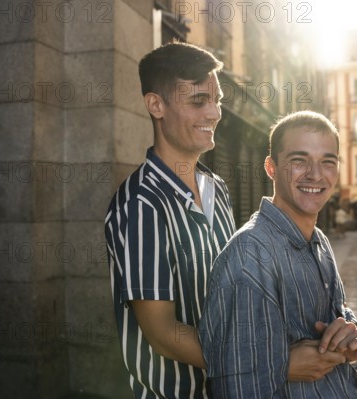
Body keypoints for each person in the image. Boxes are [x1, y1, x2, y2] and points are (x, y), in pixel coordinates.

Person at [200, 111, 357, 398]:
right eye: (298, 161)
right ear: (271, 168)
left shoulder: (319, 242)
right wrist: (281, 365)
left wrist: (354, 344)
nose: (315, 174)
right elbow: (239, 389)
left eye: (328, 162)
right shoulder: (249, 257)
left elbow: (339, 329)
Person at [103, 42, 236, 398]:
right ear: (155, 105)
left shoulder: (217, 188)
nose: (214, 112)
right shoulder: (140, 204)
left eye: (217, 100)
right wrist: (268, 360)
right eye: (198, 101)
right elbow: (163, 334)